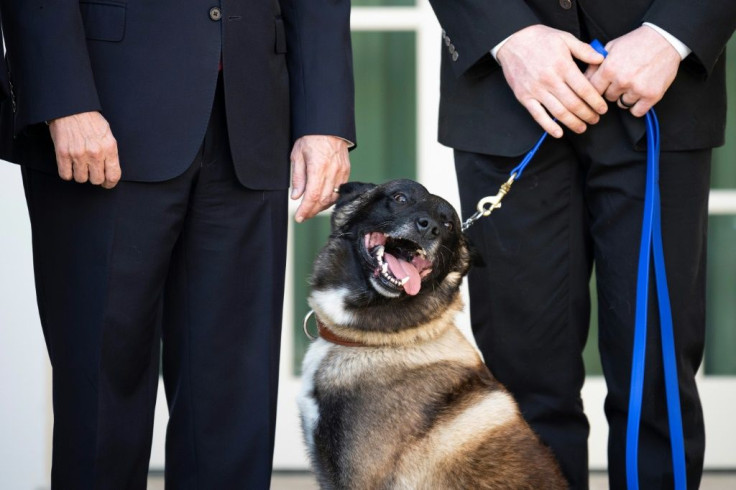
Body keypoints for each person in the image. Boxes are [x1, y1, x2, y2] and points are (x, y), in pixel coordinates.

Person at [0, 0, 354, 488]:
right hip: (104, 107)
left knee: (233, 405)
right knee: (100, 402)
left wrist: (324, 115)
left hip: (251, 117)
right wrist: (63, 96)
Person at [427, 1, 736, 488]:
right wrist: (508, 35)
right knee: (520, 379)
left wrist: (672, 33)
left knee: (654, 378)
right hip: (503, 90)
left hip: (660, 90)